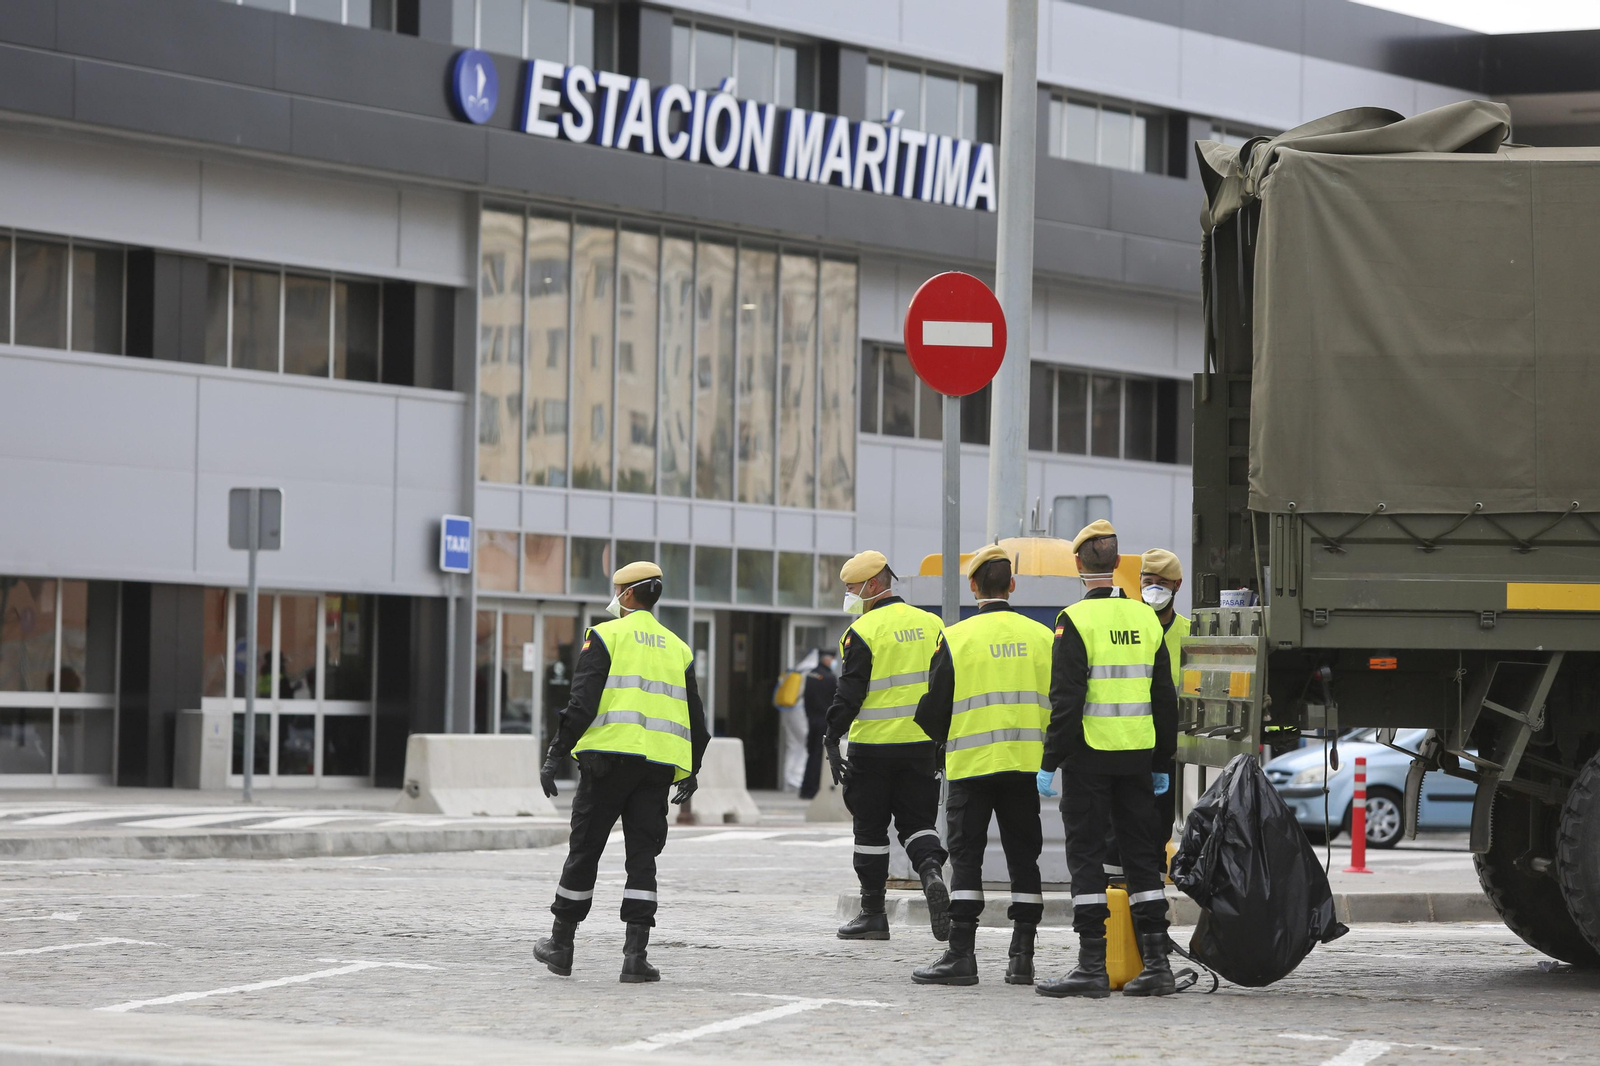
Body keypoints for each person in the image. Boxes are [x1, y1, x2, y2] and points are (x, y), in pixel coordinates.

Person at [533, 560, 710, 983]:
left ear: (628, 595)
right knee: (642, 859)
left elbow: (582, 702)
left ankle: (562, 945)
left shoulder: (605, 635)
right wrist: (692, 769)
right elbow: (697, 721)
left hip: (606, 764)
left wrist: (555, 754)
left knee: (586, 850)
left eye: (616, 590)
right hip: (657, 770)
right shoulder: (678, 647)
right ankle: (635, 957)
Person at [1036, 521, 1179, 999]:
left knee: (1087, 859)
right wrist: (1162, 762)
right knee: (1142, 858)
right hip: (1138, 757)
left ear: (1078, 564)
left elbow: (1067, 699)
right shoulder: (1145, 619)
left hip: (1089, 758)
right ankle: (1156, 964)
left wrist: (1050, 761)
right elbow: (1165, 699)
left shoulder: (1073, 620)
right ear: (1119, 564)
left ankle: (1091, 966)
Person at [910, 544, 1052, 986]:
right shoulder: (1043, 636)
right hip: (1026, 765)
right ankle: (1022, 956)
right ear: (1012, 584)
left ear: (974, 586)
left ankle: (961, 955)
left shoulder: (955, 638)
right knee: (1024, 859)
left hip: (971, 765)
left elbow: (935, 707)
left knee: (967, 860)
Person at [824, 550, 951, 942]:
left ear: (874, 584)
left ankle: (873, 913)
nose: (849, 596)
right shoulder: (933, 624)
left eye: (851, 588)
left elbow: (850, 692)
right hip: (920, 748)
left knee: (870, 830)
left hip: (873, 750)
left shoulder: (862, 631)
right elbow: (945, 686)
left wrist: (832, 737)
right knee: (918, 825)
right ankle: (930, 871)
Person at [1139, 548, 1189, 838]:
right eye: (1148, 581)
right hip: (1131, 743)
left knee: (1159, 824)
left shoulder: (1190, 633)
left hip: (1168, 748)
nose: (1153, 589)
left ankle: (1153, 878)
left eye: (1162, 582)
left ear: (1177, 585)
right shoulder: (1128, 627)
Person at [799, 649, 838, 800]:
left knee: (811, 755)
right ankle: (814, 789)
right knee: (820, 757)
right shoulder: (829, 678)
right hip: (824, 721)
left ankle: (806, 788)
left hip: (812, 720)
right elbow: (835, 700)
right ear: (827, 659)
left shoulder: (811, 675)